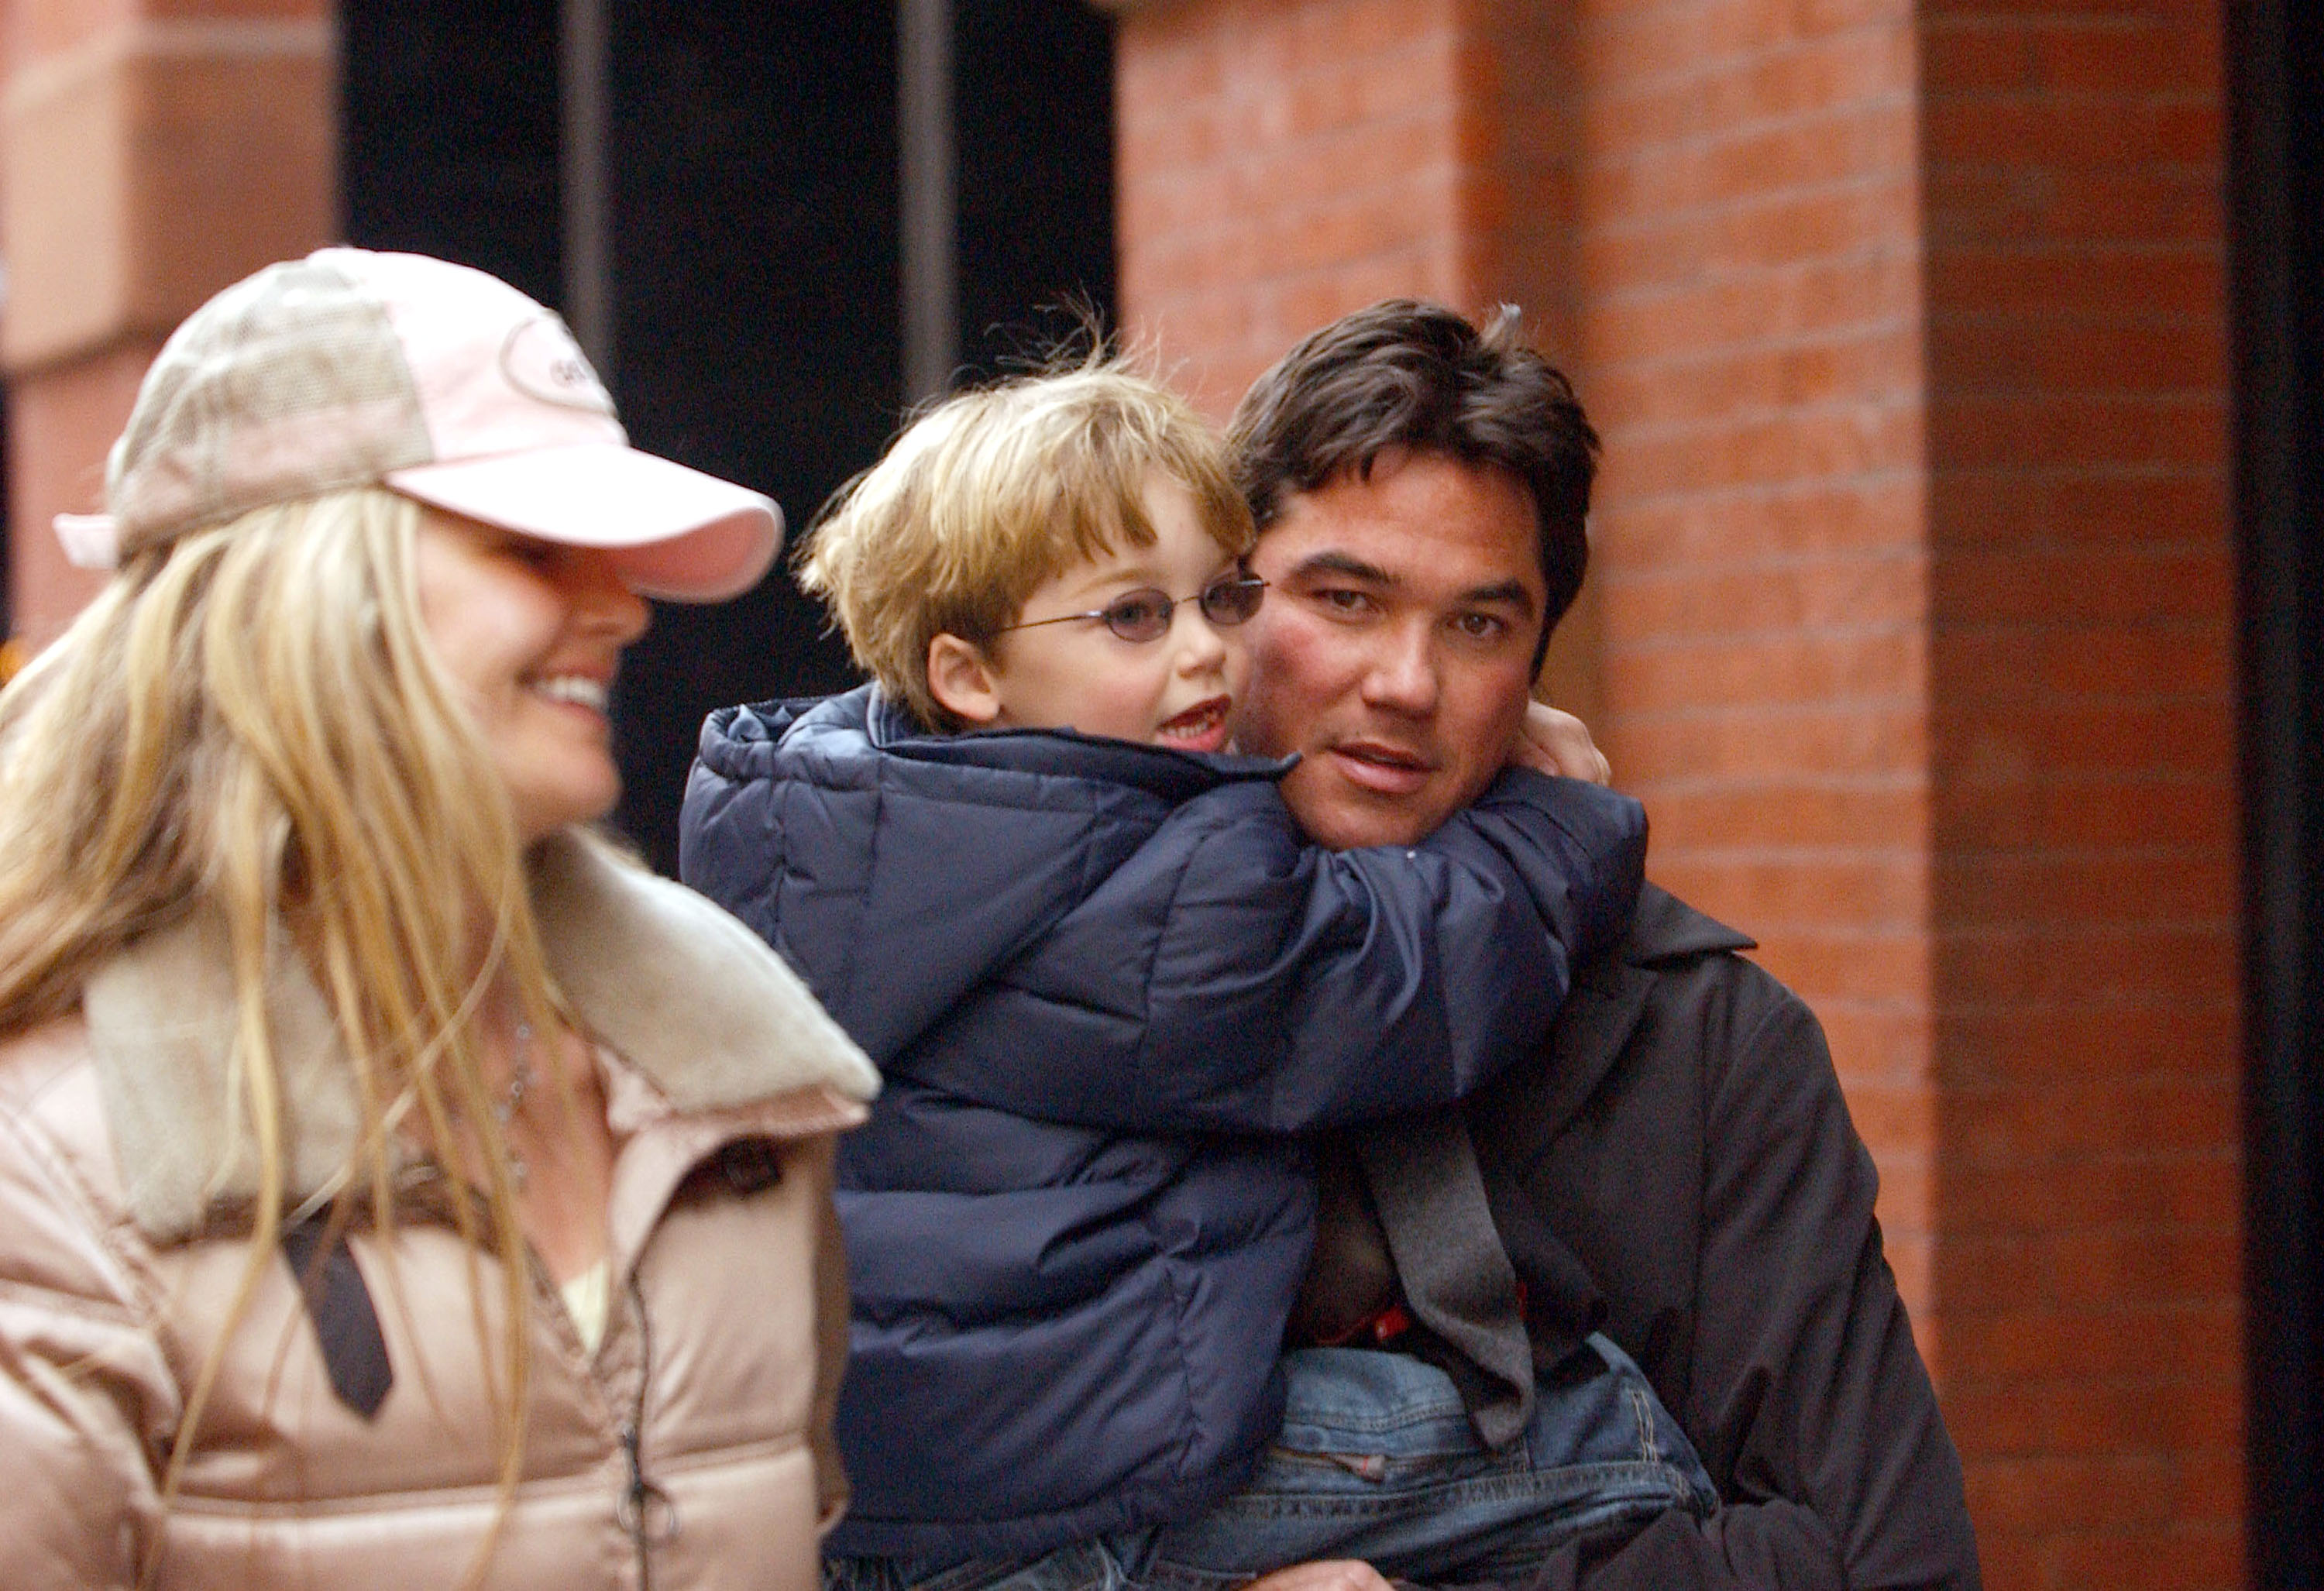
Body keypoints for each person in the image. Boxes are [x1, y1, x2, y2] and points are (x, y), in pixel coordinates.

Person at [678, 360, 1717, 1589]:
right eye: (1133, 617)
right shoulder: (1160, 890)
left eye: (1220, 601)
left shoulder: (837, 809)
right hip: (1073, 1488)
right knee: (1614, 1437)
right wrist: (1555, 824)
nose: (1205, 655)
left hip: (886, 1476)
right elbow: (1406, 971)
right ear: (967, 673)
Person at [0, 248, 880, 1590]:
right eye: (533, 546)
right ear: (299, 590)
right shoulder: (49, 1162)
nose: (622, 606)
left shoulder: (736, 1081)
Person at [1222, 299, 1982, 1591]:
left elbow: (1882, 1561)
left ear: (1535, 665)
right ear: (1219, 604)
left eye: (1477, 623)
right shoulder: (1054, 985)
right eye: (1345, 598)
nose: (1408, 681)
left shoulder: (1708, 1042)